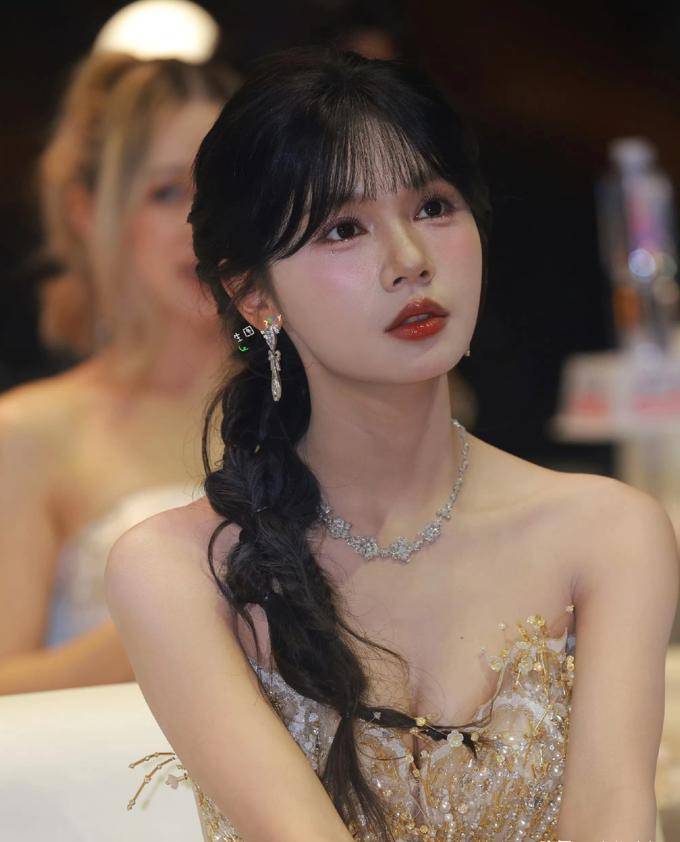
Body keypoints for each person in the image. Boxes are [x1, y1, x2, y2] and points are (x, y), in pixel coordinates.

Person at [107, 46, 679, 841]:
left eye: (434, 207)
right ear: (254, 295)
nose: (410, 262)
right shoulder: (177, 569)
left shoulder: (609, 533)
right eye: (344, 228)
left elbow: (615, 818)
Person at [0, 52, 240, 694]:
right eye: (167, 192)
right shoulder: (30, 432)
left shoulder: (312, 403)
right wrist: (170, 615)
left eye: (225, 187)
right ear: (87, 210)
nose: (205, 222)